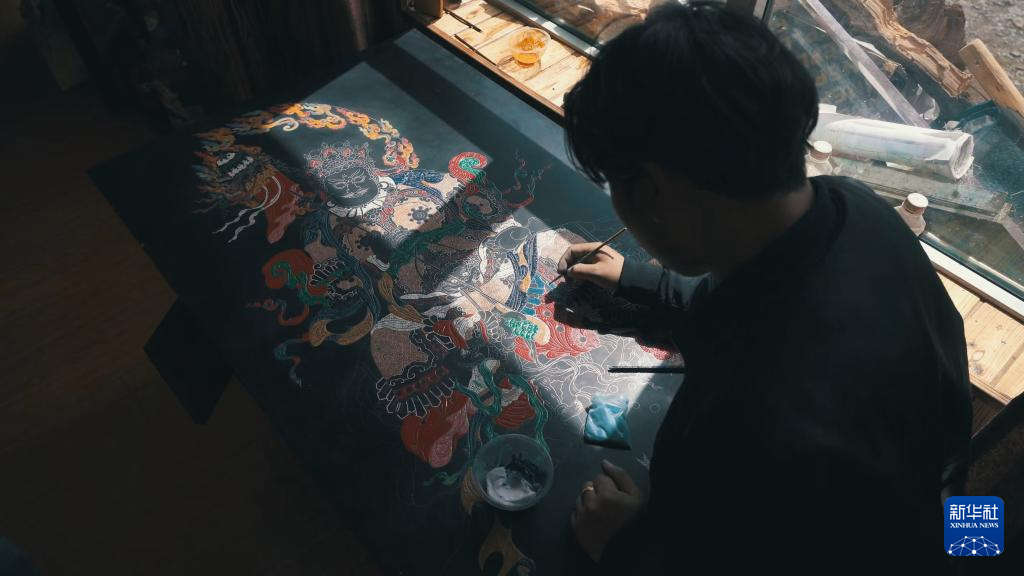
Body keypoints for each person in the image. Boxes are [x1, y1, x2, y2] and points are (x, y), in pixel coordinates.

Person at [557, 2, 972, 574]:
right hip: (942, 509)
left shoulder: (763, 425)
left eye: (617, 188)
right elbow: (755, 294)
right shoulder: (854, 207)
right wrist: (639, 279)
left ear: (653, 191)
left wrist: (623, 545)